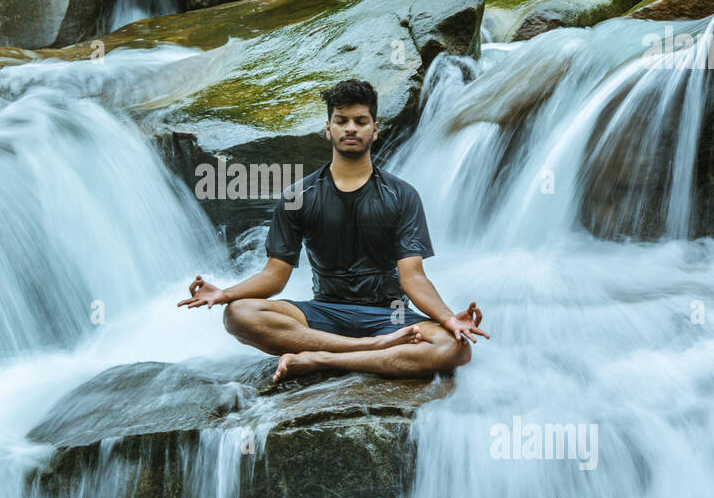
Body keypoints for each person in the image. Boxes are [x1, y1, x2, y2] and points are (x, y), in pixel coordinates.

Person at [178, 78, 488, 383]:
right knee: (239, 314)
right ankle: (367, 349)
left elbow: (413, 277)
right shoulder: (298, 196)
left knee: (453, 348)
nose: (351, 128)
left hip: (390, 316)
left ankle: (323, 359)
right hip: (322, 313)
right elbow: (274, 276)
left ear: (375, 129)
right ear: (328, 129)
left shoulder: (402, 196)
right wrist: (225, 293)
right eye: (341, 121)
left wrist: (447, 317)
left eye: (360, 121)